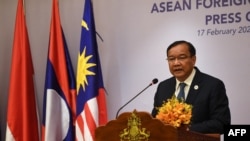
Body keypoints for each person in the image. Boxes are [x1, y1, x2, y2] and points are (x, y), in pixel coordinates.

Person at [151, 40, 231, 134]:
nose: (176, 63)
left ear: (193, 60)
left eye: (182, 57)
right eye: (171, 59)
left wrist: (186, 130)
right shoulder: (163, 87)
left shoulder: (212, 85)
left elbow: (221, 123)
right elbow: (155, 120)